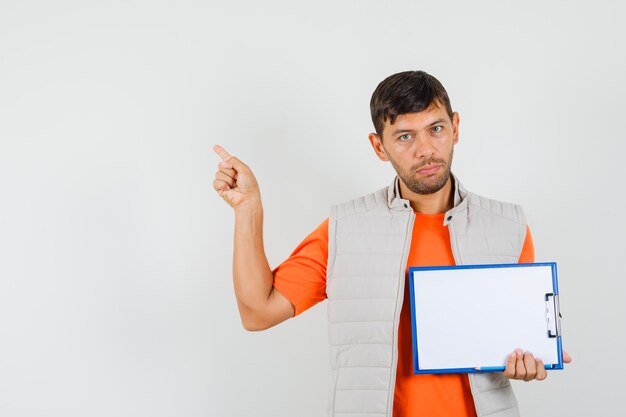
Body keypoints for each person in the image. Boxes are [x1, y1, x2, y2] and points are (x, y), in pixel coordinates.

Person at [212, 70, 571, 417]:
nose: (425, 150)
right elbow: (258, 313)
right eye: (404, 136)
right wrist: (248, 209)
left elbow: (515, 341)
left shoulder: (508, 227)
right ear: (378, 146)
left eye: (436, 129)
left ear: (455, 128)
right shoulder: (343, 229)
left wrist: (528, 359)